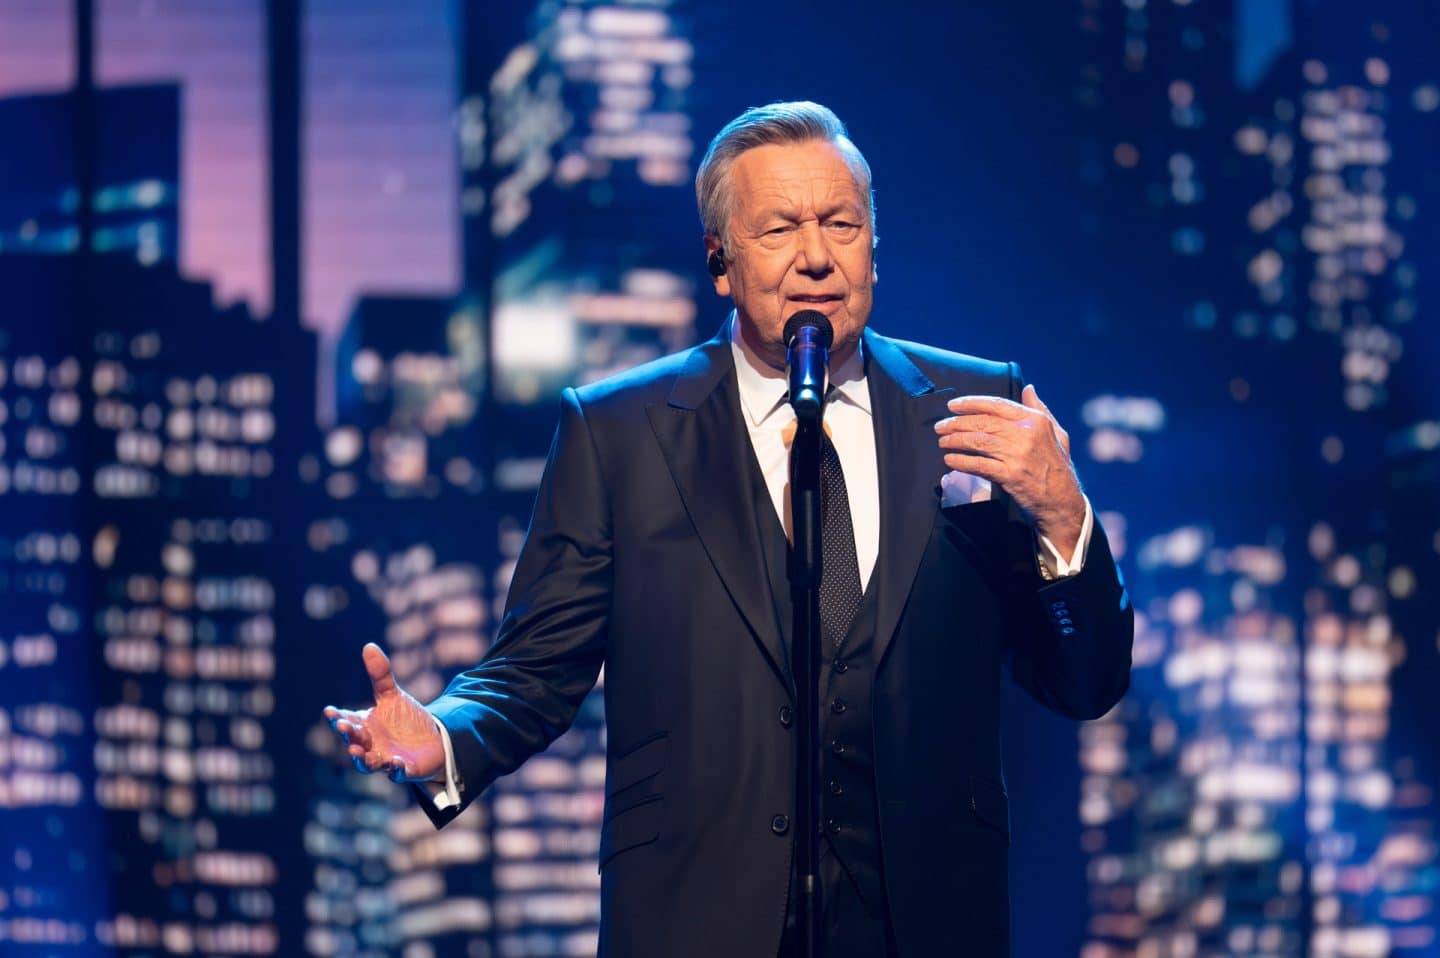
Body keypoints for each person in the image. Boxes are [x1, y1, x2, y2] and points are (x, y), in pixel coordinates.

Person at [324, 101, 1133, 957]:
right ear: (720, 260)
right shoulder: (620, 432)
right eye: (779, 229)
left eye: (842, 224)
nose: (816, 255)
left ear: (874, 245)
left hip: (929, 922)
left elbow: (1086, 683)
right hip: (695, 915)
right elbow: (535, 668)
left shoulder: (975, 406)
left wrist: (1063, 513)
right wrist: (445, 734)